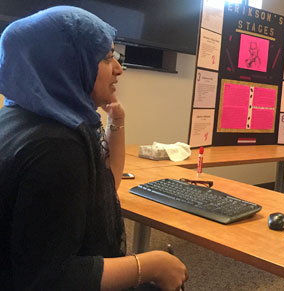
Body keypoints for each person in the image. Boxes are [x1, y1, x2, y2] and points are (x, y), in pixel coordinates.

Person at [0, 6, 187, 290]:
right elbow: (51, 277)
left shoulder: (20, 117)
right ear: (68, 63)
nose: (119, 69)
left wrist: (117, 120)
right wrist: (150, 265)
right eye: (107, 57)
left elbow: (106, 187)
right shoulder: (57, 148)